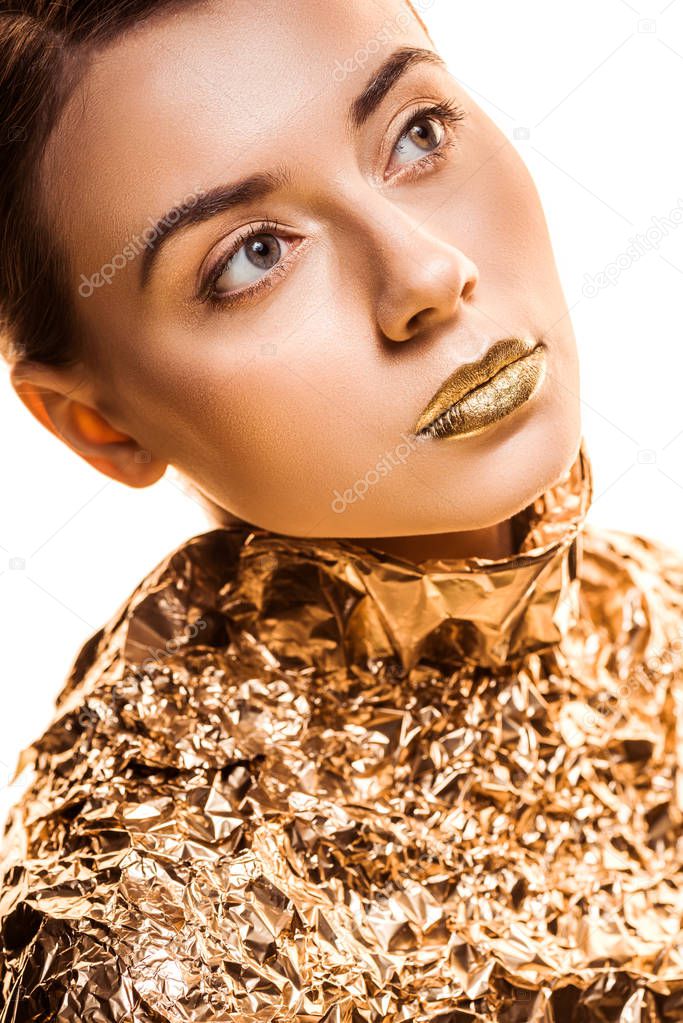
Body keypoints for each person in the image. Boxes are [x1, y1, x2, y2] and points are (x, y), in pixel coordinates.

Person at [1, 1, 682, 1019]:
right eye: (253, 257)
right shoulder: (133, 938)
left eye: (415, 134)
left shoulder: (653, 618)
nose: (424, 275)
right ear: (98, 425)